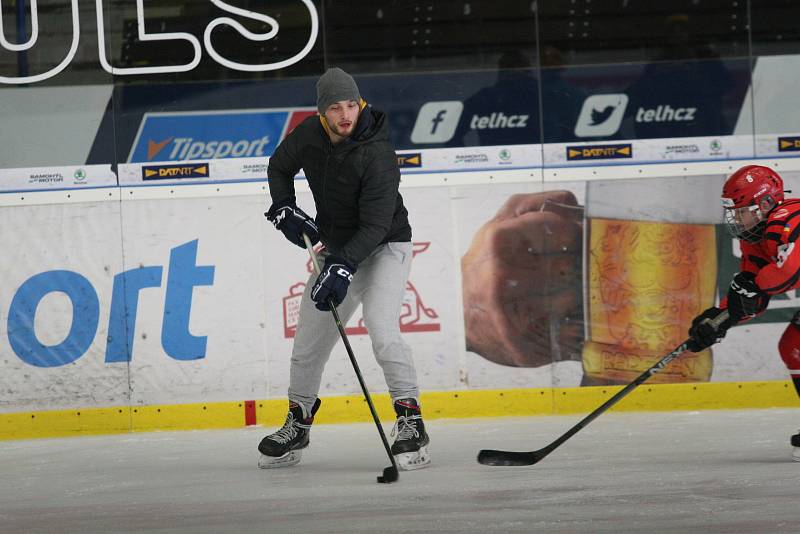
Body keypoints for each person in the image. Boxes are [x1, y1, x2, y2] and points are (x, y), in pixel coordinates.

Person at [258, 67, 430, 471]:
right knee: (308, 343)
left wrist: (341, 267)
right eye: (335, 107)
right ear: (322, 112)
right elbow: (278, 167)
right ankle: (297, 423)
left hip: (386, 245)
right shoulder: (308, 136)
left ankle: (410, 419)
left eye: (351, 104)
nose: (345, 114)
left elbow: (374, 224)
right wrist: (285, 206)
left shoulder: (377, 152)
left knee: (382, 329)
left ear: (360, 104)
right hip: (336, 249)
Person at [687, 165, 800, 461]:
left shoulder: (788, 217)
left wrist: (754, 287)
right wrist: (718, 320)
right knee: (793, 348)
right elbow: (752, 298)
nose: (735, 219)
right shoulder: (754, 239)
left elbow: (789, 273)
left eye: (741, 211)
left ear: (764, 203)